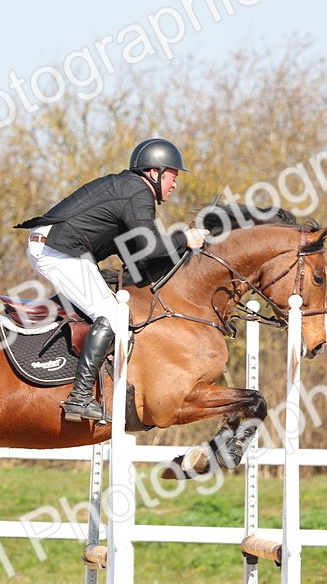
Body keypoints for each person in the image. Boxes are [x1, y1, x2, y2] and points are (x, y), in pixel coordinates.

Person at [14, 138, 210, 423]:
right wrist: (185, 238)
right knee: (111, 314)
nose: (175, 184)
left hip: (62, 247)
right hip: (57, 248)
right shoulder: (137, 193)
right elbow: (151, 245)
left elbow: (137, 256)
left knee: (108, 307)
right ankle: (79, 398)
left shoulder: (130, 189)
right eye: (172, 176)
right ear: (154, 173)